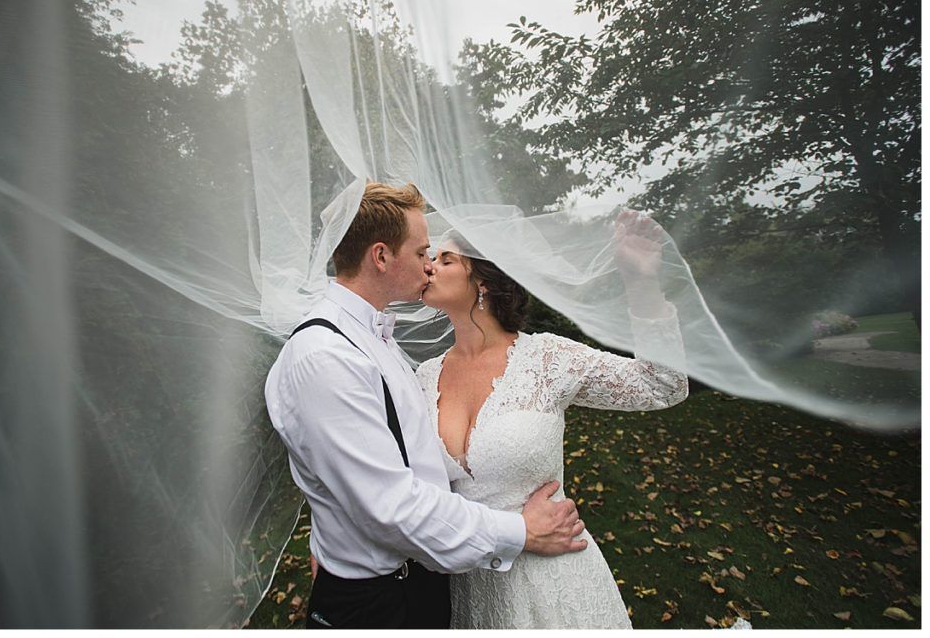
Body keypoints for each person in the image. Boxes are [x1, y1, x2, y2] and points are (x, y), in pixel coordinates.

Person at [264, 182, 588, 630]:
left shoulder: (373, 339)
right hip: (379, 603)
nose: (428, 265)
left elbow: (390, 463)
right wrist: (521, 531)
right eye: (420, 253)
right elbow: (389, 508)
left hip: (417, 582)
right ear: (381, 257)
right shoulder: (326, 357)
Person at [416, 210, 690, 629]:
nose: (429, 265)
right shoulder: (423, 378)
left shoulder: (547, 359)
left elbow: (662, 385)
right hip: (469, 590)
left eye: (446, 259)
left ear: (483, 282)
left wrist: (641, 282)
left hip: (557, 587)